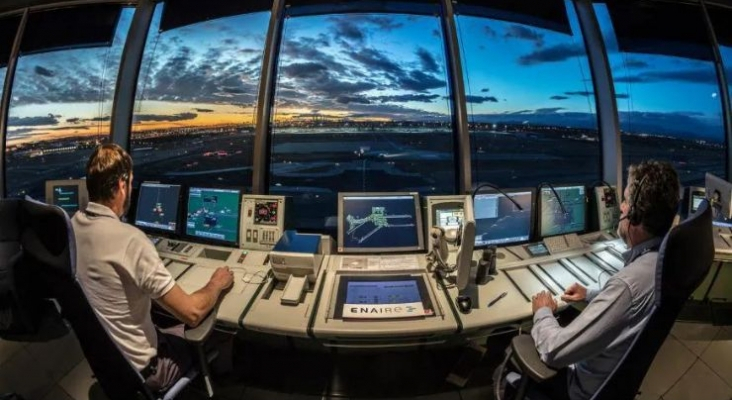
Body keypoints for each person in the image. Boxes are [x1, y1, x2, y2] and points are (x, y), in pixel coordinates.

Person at [71, 143, 234, 393]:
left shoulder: (73, 226)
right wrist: (216, 283)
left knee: (165, 321)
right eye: (131, 183)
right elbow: (191, 312)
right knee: (212, 329)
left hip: (109, 361)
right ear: (123, 186)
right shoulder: (129, 239)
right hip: (148, 371)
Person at [529, 160, 680, 400]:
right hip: (615, 384)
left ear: (636, 215)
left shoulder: (627, 285)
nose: (621, 207)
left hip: (580, 389)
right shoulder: (663, 261)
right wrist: (591, 294)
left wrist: (543, 313)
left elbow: (555, 351)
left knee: (522, 341)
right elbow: (628, 308)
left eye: (626, 201)